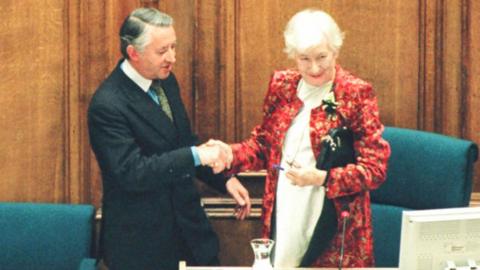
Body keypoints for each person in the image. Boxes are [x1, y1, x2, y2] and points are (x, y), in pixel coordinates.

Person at [222, 9, 391, 268]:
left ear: (335, 51)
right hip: (286, 206)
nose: (314, 68)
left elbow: (375, 169)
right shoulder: (282, 85)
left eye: (322, 57)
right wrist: (228, 155)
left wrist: (322, 178)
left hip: (333, 220)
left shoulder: (356, 93)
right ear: (293, 56)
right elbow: (265, 145)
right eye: (304, 59)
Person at [87, 8, 250, 270]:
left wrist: (224, 179)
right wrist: (198, 155)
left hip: (190, 234)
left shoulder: (165, 81)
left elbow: (182, 141)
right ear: (133, 53)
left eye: (173, 47)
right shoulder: (108, 104)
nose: (172, 58)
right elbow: (132, 172)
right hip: (143, 247)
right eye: (162, 51)